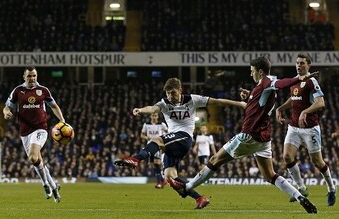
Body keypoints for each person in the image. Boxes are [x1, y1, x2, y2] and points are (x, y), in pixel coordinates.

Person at [167, 56, 318, 214]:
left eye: (252, 71)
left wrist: (300, 78)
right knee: (270, 175)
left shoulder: (267, 81)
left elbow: (280, 83)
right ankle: (300, 196)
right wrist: (250, 96)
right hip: (264, 138)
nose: (251, 74)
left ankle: (187, 188)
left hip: (249, 135)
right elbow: (261, 101)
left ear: (260, 72)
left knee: (215, 160)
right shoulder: (261, 87)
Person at [114, 77, 247, 209]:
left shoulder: (192, 99)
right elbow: (153, 108)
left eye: (173, 93)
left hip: (184, 138)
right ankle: (200, 198)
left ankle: (135, 159)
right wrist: (141, 110)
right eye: (168, 93)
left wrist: (239, 104)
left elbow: (217, 102)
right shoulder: (164, 103)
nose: (170, 96)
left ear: (180, 90)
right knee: (170, 178)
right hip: (172, 143)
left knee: (157, 141)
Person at [275, 53, 336, 206]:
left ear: (309, 65)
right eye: (297, 63)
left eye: (302, 63)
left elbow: (320, 102)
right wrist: (280, 108)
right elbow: (294, 99)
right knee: (287, 157)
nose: (299, 65)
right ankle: (301, 188)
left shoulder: (311, 81)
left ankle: (331, 188)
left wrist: (305, 111)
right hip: (294, 127)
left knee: (318, 162)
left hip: (310, 128)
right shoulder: (295, 81)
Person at [3, 66, 64, 203]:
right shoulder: (18, 91)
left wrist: (62, 121)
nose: (32, 78)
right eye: (29, 76)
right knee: (37, 160)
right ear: (24, 77)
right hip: (24, 132)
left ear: (37, 76)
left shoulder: (43, 90)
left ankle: (44, 185)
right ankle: (54, 187)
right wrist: (6, 112)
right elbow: (7, 106)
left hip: (40, 129)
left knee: (32, 157)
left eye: (34, 76)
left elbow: (53, 106)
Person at [141, 112, 168, 188]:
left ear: (157, 117)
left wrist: (163, 139)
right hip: (149, 146)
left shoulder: (162, 124)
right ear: (150, 116)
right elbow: (142, 134)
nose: (154, 117)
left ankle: (159, 183)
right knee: (153, 164)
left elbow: (168, 132)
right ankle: (162, 180)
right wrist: (147, 138)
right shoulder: (146, 124)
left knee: (157, 163)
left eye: (155, 115)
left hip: (158, 145)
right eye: (153, 115)